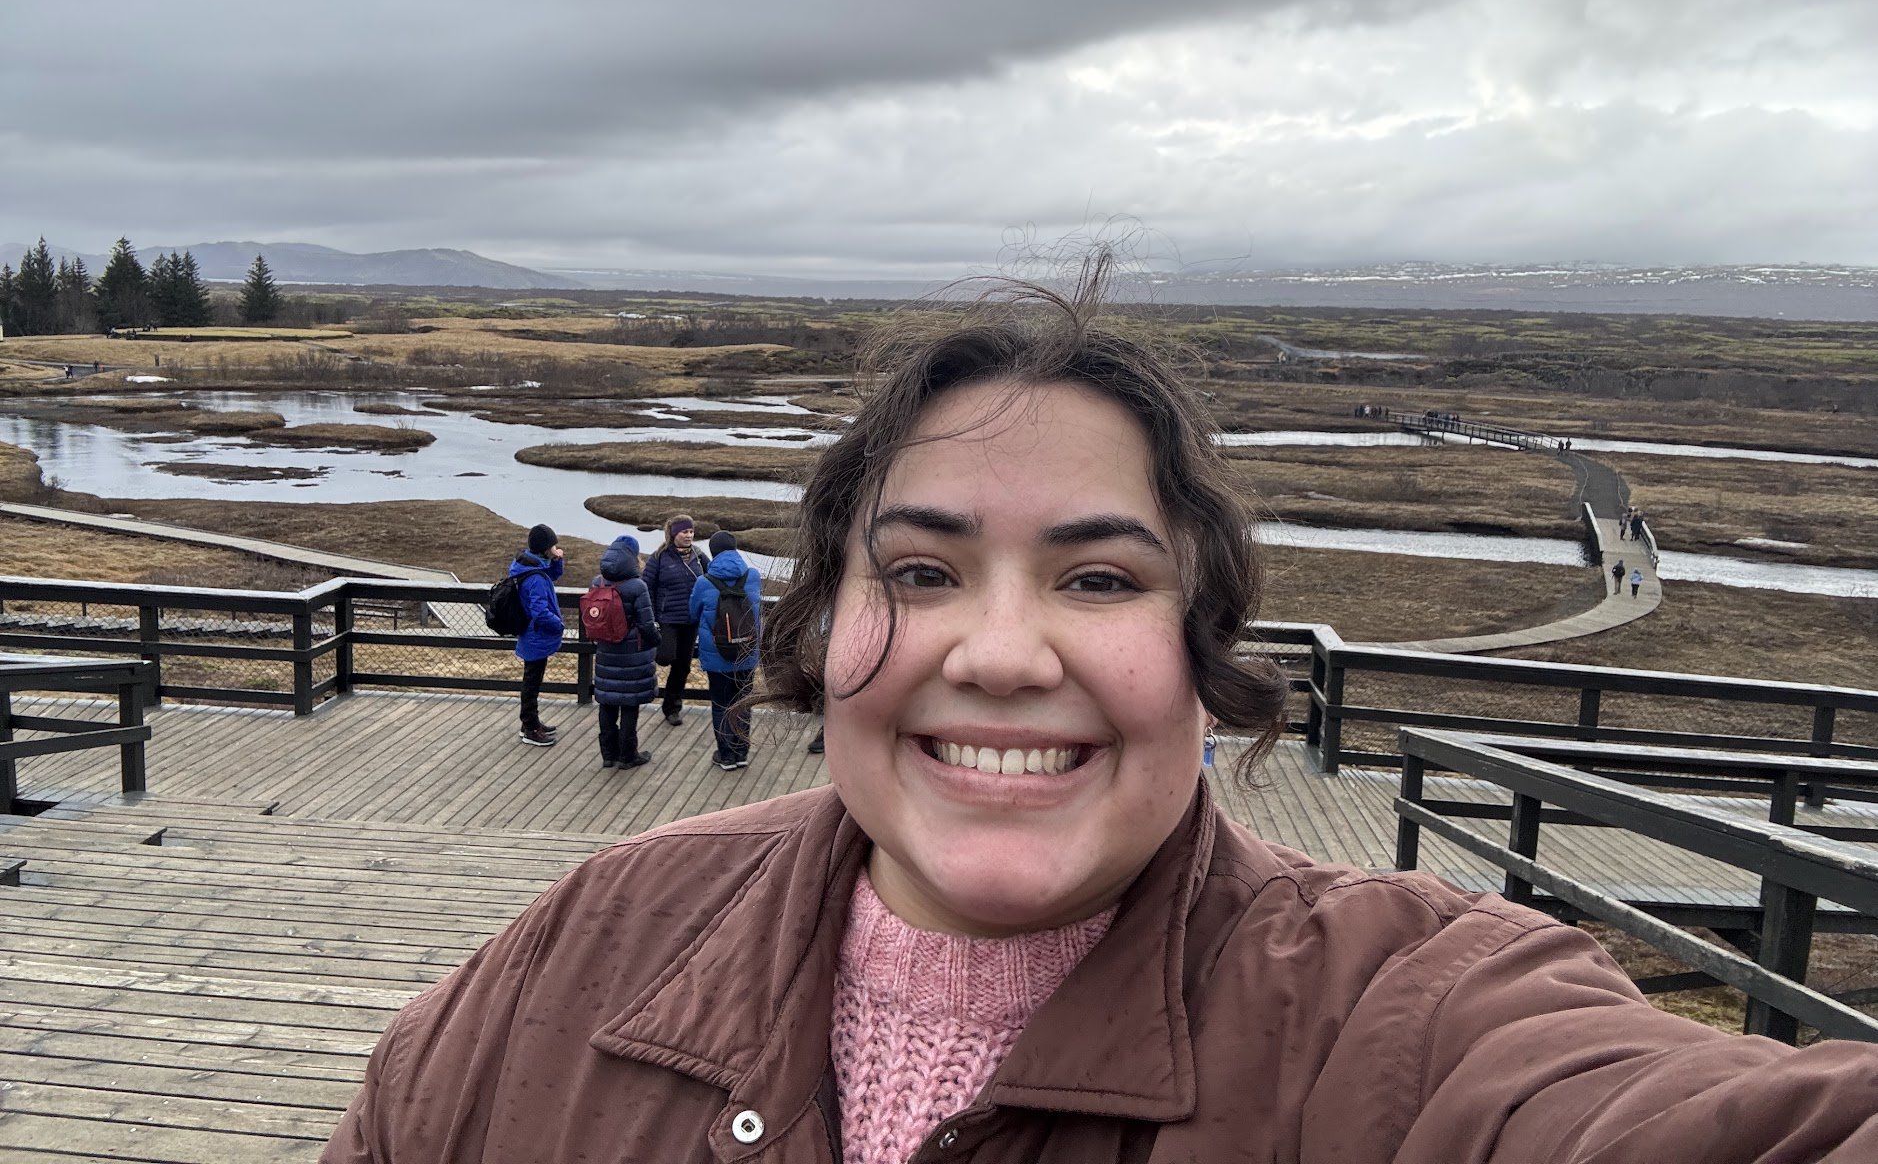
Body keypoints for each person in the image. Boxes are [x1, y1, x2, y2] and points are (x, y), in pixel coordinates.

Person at [325, 263, 1878, 1163]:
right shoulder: (594, 940)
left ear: (1202, 650)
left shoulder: (1403, 1020)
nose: (999, 653)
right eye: (921, 570)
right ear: (823, 625)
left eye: (1097, 582)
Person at [690, 528, 762, 771]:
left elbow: (693, 613)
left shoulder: (704, 581)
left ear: (713, 552)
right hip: (747, 653)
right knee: (742, 702)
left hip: (716, 656)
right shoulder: (752, 576)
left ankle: (726, 755)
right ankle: (742, 752)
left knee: (720, 703)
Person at [589, 535, 659, 770]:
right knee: (630, 705)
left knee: (607, 703)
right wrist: (656, 642)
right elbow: (647, 624)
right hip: (633, 654)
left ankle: (608, 755)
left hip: (606, 651)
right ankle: (628, 756)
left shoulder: (597, 582)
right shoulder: (637, 586)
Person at [643, 514, 708, 725]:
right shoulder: (659, 557)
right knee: (664, 656)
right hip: (667, 618)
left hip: (691, 620)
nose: (689, 535)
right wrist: (651, 616)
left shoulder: (698, 555)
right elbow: (647, 587)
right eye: (684, 532)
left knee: (683, 666)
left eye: (691, 531)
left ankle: (671, 707)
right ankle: (647, 684)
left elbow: (713, 576)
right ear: (674, 534)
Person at [510, 524, 564, 747]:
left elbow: (551, 575)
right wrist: (558, 625)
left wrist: (557, 560)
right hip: (536, 635)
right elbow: (539, 611)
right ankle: (530, 728)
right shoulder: (535, 578)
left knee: (532, 680)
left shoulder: (530, 567)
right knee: (531, 682)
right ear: (544, 548)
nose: (556, 548)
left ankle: (531, 722)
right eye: (553, 545)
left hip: (532, 634)